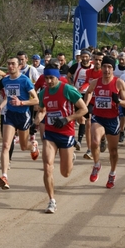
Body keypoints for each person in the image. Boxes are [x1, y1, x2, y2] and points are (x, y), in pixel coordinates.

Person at [34, 63, 87, 213]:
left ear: (57, 77)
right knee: (47, 166)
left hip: (66, 133)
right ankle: (51, 200)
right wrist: (36, 122)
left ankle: (70, 158)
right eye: (46, 78)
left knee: (65, 173)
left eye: (51, 78)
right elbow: (42, 110)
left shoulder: (67, 90)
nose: (49, 81)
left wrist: (67, 119)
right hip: (50, 133)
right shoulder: (43, 92)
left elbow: (83, 109)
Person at [0, 57, 40, 189]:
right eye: (8, 64)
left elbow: (36, 100)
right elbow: (7, 97)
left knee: (24, 146)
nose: (10, 66)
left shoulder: (25, 80)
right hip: (10, 115)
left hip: (23, 116)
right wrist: (0, 107)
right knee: (6, 144)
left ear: (19, 66)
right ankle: (4, 176)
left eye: (13, 64)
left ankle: (34, 145)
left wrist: (21, 103)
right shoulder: (6, 80)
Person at [84, 56, 125, 189]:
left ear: (113, 69)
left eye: (109, 67)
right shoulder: (95, 82)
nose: (106, 69)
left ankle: (112, 173)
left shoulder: (119, 83)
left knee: (113, 151)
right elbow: (88, 92)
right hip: (98, 117)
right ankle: (97, 164)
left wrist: (119, 101)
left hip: (112, 119)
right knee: (94, 142)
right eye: (104, 66)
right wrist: (86, 105)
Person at [67, 49, 94, 154]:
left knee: (88, 119)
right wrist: (72, 85)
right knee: (80, 118)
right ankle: (79, 140)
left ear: (89, 57)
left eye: (86, 56)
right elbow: (68, 76)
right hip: (78, 94)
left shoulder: (93, 68)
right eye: (83, 56)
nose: (84, 58)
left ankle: (82, 141)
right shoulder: (76, 66)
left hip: (89, 94)